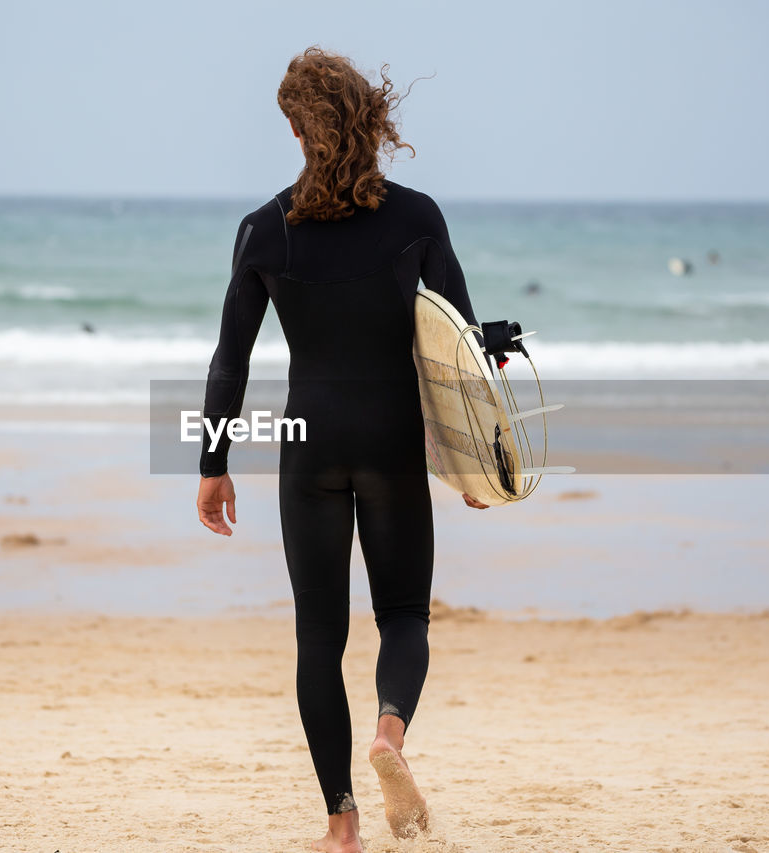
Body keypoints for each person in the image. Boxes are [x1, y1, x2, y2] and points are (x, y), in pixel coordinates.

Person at [195, 47, 486, 852]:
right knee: (401, 613)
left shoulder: (264, 229)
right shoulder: (417, 216)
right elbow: (462, 345)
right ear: (369, 117)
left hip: (309, 446)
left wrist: (212, 462)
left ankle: (342, 822)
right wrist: (476, 456)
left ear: (296, 128)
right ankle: (390, 734)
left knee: (318, 637)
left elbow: (232, 359)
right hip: (392, 440)